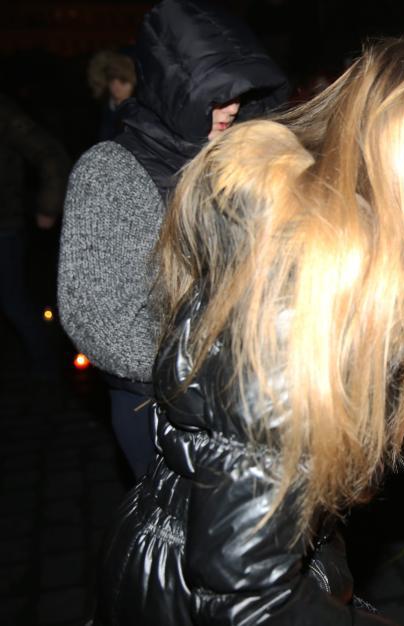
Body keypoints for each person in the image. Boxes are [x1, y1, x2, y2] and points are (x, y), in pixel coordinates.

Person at [94, 37, 404, 625]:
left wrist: (401, 442)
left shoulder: (330, 273)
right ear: (393, 158)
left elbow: (284, 439)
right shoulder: (297, 302)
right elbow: (247, 596)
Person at [58, 0, 289, 480]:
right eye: (215, 93)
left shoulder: (245, 159)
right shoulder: (111, 173)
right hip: (161, 409)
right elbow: (100, 320)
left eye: (241, 91)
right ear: (173, 88)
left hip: (261, 398)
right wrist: (213, 373)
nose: (232, 107)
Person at [0, 94, 71, 393]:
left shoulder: (5, 113)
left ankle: (46, 371)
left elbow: (49, 154)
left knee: (13, 301)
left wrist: (48, 206)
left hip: (4, 224)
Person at [86, 49, 137, 141]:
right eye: (112, 80)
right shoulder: (101, 110)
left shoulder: (140, 112)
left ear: (132, 83)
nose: (116, 86)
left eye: (123, 81)